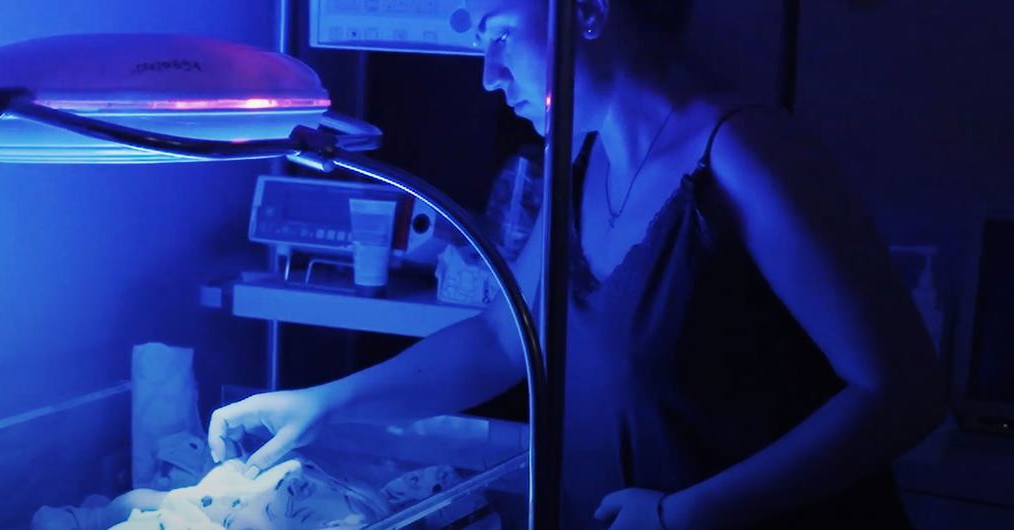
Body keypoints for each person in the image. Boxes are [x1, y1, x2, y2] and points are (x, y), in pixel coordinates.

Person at [208, 0, 948, 528]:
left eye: (501, 33)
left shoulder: (745, 157)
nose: (489, 76)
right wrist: (321, 404)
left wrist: (688, 514)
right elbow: (503, 340)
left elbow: (903, 395)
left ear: (588, 10)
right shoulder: (581, 161)